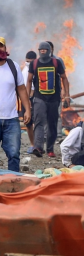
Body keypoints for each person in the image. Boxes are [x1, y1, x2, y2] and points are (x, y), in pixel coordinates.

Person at [27, 42, 70, 158]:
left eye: (44, 50)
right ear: (38, 50)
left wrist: (67, 95)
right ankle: (38, 147)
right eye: (40, 50)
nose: (42, 51)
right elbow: (29, 80)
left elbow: (64, 79)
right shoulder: (34, 64)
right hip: (39, 97)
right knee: (39, 122)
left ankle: (50, 149)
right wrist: (27, 96)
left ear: (49, 50)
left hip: (54, 98)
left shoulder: (56, 62)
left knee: (52, 123)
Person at [0, 37, 31, 172]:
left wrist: (27, 110)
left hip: (11, 119)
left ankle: (13, 185)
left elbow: (22, 89)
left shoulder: (13, 66)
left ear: (6, 49)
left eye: (1, 46)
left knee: (13, 154)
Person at [21, 51, 37, 154]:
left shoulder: (38, 70)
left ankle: (38, 144)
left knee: (39, 121)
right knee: (28, 123)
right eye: (27, 62)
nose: (28, 64)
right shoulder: (24, 71)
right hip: (27, 99)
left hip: (37, 98)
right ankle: (32, 144)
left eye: (31, 62)